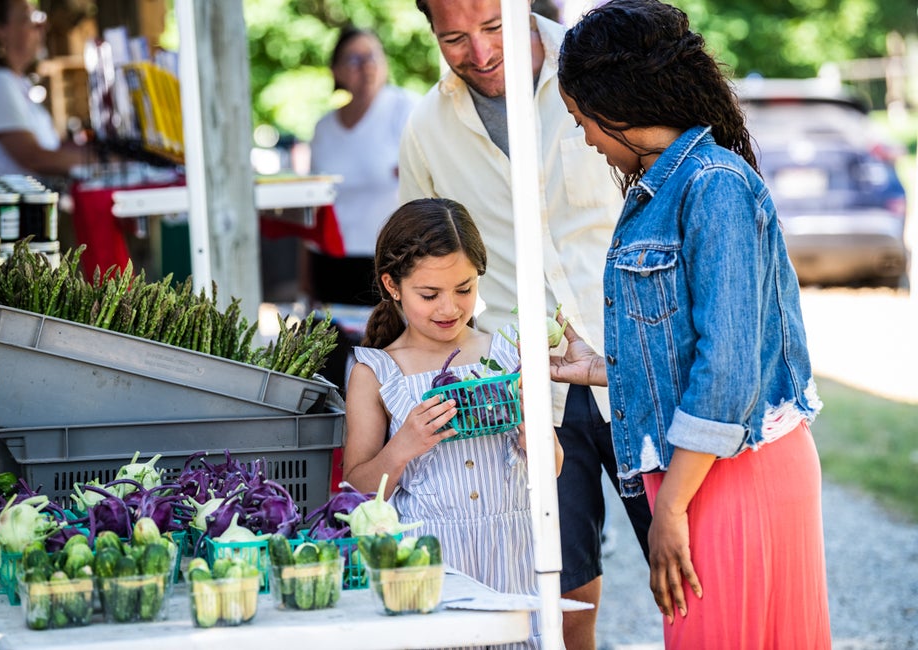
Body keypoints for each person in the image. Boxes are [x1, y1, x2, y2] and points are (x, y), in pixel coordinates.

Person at [553, 1, 832, 647]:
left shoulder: (713, 186)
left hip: (735, 475)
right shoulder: (662, 187)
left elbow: (728, 368)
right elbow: (687, 348)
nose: (587, 139)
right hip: (702, 470)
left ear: (616, 105)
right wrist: (600, 369)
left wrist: (670, 510)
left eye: (582, 120)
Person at [399, 2, 652, 647]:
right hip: (525, 387)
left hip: (632, 358)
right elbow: (416, 262)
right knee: (562, 585)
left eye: (492, 28)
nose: (480, 54)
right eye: (454, 37)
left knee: (683, 555)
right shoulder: (426, 128)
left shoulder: (600, 71)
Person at [343, 197, 562, 650]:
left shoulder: (506, 353)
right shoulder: (375, 372)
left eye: (464, 289)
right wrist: (402, 446)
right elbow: (356, 491)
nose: (449, 307)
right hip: (430, 568)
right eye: (430, 295)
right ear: (392, 285)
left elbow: (554, 465)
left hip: (515, 560)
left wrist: (531, 433)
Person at [306, 26, 419, 307]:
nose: (367, 66)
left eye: (373, 56)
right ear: (336, 70)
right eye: (355, 59)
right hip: (329, 262)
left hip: (390, 262)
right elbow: (311, 206)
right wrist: (303, 278)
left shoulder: (405, 109)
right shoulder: (324, 128)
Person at [0, 0, 89, 182]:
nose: (42, 26)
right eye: (30, 18)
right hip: (2, 209)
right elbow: (34, 157)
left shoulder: (6, 80)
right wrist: (105, 161)